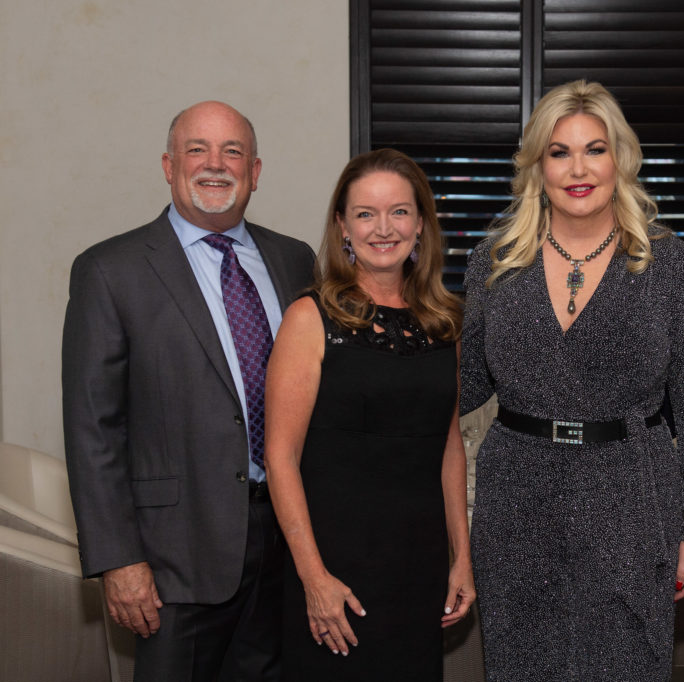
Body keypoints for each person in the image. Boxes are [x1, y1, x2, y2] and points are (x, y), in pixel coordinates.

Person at [460, 79, 684, 680]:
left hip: (633, 502)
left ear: (620, 159)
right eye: (559, 152)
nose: (578, 168)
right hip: (517, 504)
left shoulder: (673, 268)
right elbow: (464, 384)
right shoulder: (495, 262)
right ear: (537, 166)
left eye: (594, 149)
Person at [62, 101, 316, 680]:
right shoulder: (110, 269)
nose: (215, 164)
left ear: (255, 171)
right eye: (197, 149)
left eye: (233, 152)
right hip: (173, 555)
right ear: (168, 165)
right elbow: (92, 427)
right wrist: (118, 559)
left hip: (287, 543)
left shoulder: (293, 259)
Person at [264, 148, 475, 680]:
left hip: (418, 566)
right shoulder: (310, 317)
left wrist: (461, 557)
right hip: (336, 571)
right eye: (365, 213)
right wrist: (313, 578)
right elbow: (280, 457)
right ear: (342, 227)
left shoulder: (445, 321)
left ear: (421, 225)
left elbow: (448, 445)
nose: (384, 228)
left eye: (399, 212)